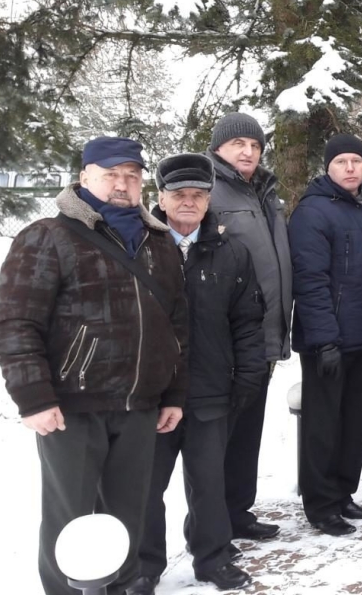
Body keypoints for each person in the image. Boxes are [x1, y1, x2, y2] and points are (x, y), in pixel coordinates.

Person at [0, 136, 188, 595]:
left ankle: (118, 589)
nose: (122, 184)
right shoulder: (48, 236)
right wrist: (34, 397)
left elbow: (178, 326)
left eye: (132, 175)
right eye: (110, 174)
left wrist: (173, 393)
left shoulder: (160, 243)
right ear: (84, 177)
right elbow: (15, 322)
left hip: (139, 406)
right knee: (70, 522)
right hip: (71, 408)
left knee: (128, 516)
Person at [132, 153, 266, 594]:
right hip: (153, 395)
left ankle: (212, 557)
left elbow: (248, 321)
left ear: (209, 201)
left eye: (197, 195)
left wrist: (249, 374)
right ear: (161, 198)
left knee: (209, 482)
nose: (188, 202)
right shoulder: (139, 249)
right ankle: (144, 565)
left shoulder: (232, 252)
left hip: (211, 390)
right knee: (146, 486)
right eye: (179, 195)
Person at [288, 134, 362, 536]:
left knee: (355, 423)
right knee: (323, 426)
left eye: (356, 161)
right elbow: (310, 281)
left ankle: (343, 493)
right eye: (341, 161)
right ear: (328, 167)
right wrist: (324, 340)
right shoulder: (312, 212)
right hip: (327, 341)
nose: (350, 168)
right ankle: (321, 505)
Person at [207, 111, 292, 541]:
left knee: (247, 434)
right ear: (218, 148)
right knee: (217, 440)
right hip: (227, 341)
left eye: (255, 145)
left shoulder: (264, 191)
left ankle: (238, 512)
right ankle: (211, 525)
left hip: (263, 336)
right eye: (238, 144)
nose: (248, 152)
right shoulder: (209, 190)